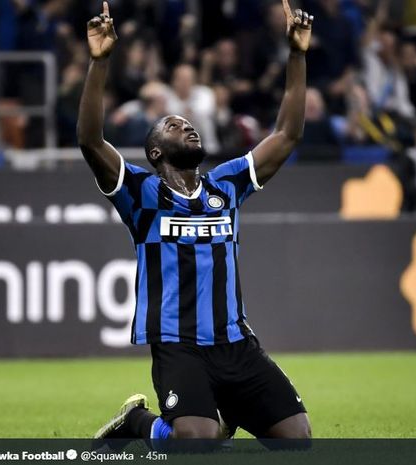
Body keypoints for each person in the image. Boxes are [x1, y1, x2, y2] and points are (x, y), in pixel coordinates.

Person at [78, 0, 312, 442]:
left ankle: (221, 406)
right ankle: (139, 423)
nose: (186, 127)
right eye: (172, 125)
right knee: (199, 443)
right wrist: (99, 64)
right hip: (178, 346)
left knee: (297, 439)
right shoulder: (142, 195)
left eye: (188, 123)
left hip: (235, 343)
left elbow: (287, 134)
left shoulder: (226, 185)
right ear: (155, 152)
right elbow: (90, 141)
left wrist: (297, 56)